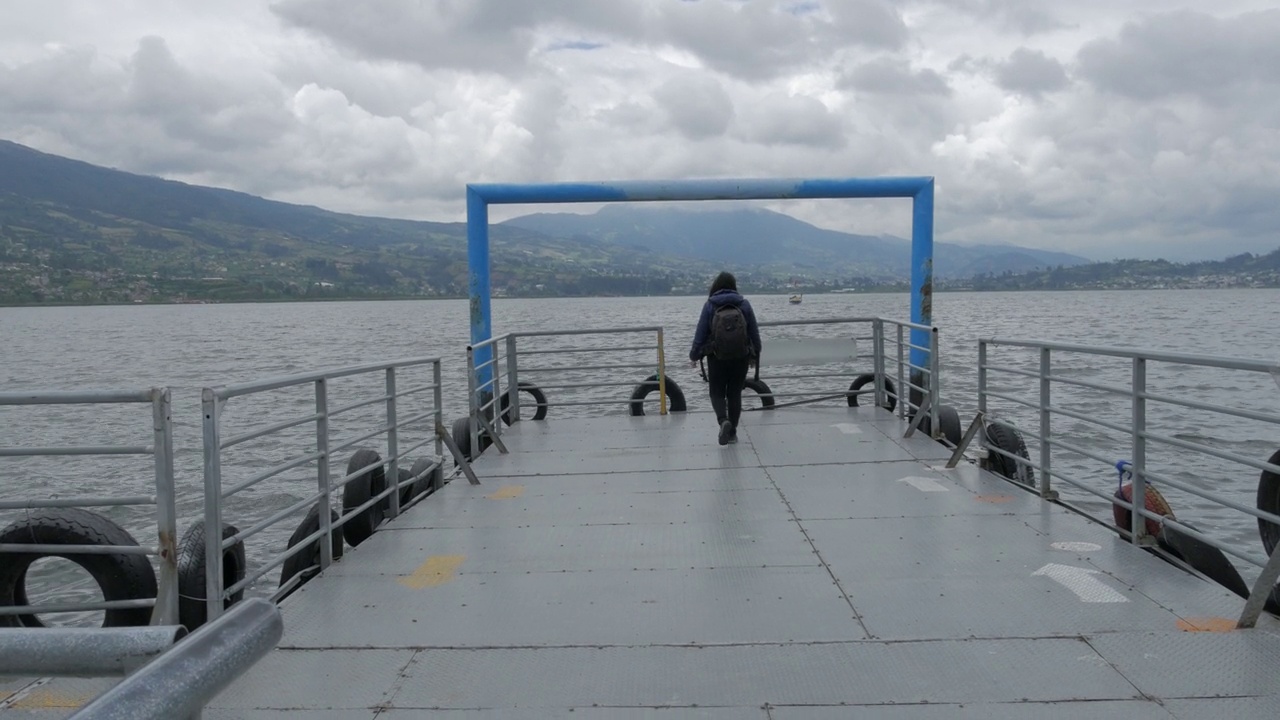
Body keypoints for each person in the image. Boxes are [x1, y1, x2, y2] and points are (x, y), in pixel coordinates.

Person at [689, 271, 762, 445]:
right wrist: (755, 353)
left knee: (716, 392)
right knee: (735, 393)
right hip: (741, 356)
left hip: (716, 357)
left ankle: (723, 421)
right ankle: (732, 433)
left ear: (715, 285)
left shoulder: (710, 305)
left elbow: (700, 334)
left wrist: (694, 354)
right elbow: (754, 334)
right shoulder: (744, 304)